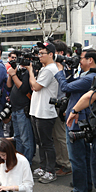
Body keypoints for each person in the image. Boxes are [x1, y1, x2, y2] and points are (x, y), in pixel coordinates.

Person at [56, 49, 96, 192]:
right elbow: (70, 84)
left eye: (81, 58)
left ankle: (79, 189)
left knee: (76, 156)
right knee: (84, 155)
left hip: (76, 122)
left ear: (90, 60)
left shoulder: (90, 78)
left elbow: (66, 87)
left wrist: (60, 71)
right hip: (81, 120)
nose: (79, 61)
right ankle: (85, 184)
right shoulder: (88, 76)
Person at [26, 42, 59, 184]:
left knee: (46, 143)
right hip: (38, 110)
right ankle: (43, 167)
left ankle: (51, 170)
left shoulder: (49, 69)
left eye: (42, 53)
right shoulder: (46, 68)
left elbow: (35, 86)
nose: (39, 56)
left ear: (50, 54)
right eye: (38, 53)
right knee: (40, 142)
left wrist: (30, 71)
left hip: (45, 112)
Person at [50, 39, 72, 176]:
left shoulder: (64, 67)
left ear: (60, 53)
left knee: (60, 136)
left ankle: (66, 164)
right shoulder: (55, 66)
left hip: (61, 104)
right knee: (56, 136)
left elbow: (65, 87)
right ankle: (61, 161)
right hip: (54, 104)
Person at [6, 60, 34, 165]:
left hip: (23, 109)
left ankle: (27, 163)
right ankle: (19, 162)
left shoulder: (27, 73)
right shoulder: (19, 71)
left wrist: (13, 75)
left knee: (25, 139)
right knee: (17, 138)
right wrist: (11, 74)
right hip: (14, 109)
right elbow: (8, 86)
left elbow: (23, 88)